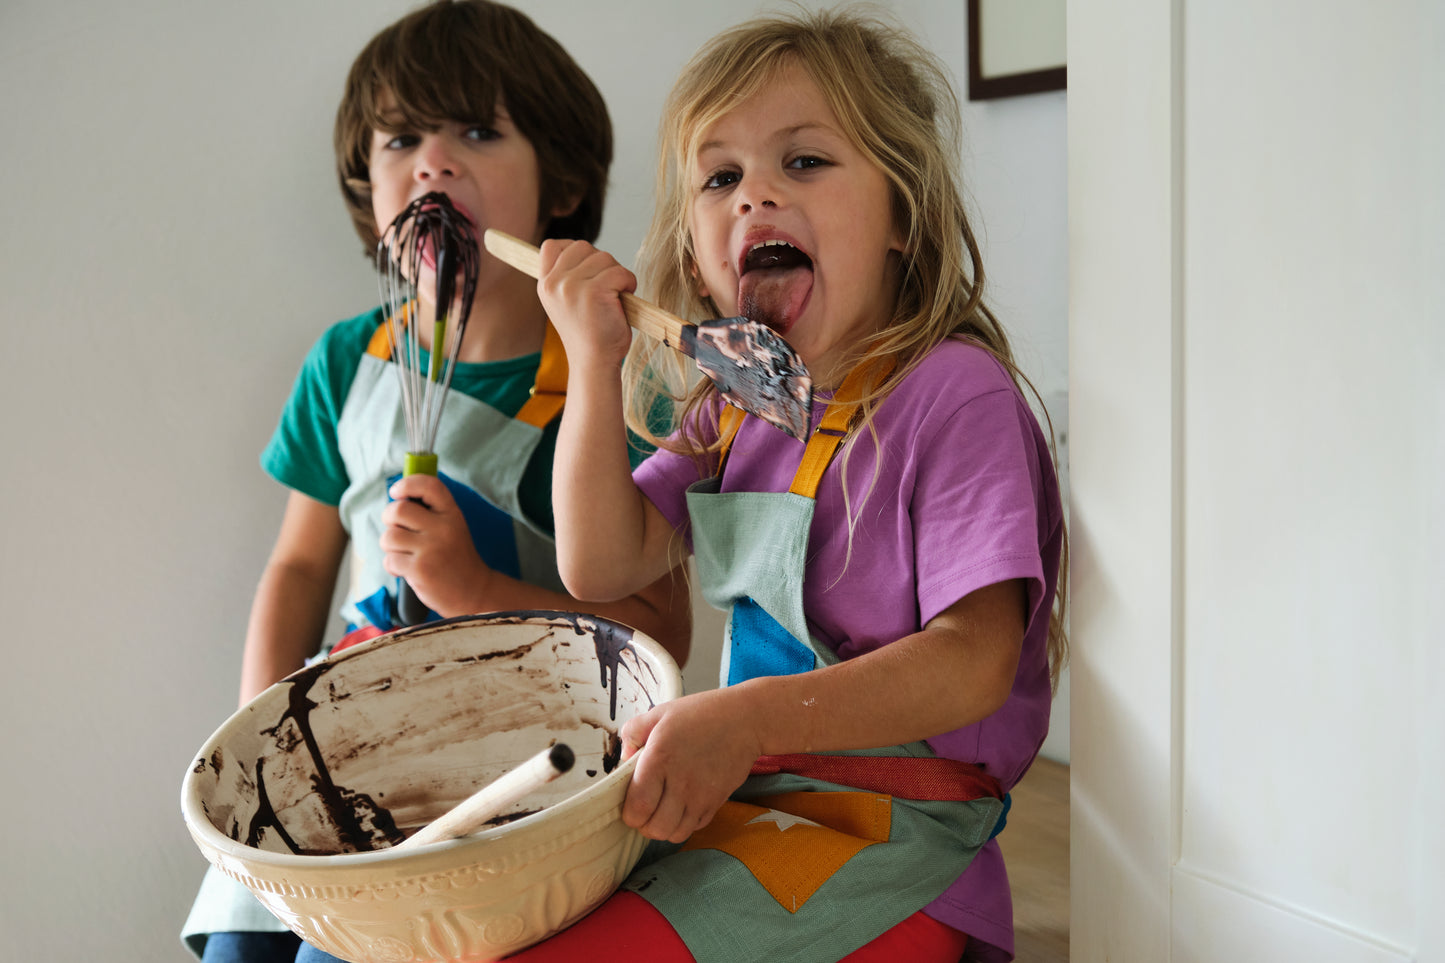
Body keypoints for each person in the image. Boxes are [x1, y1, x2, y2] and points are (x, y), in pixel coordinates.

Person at [519, 9, 1067, 963]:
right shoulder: (730, 410)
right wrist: (590, 360)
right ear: (696, 255)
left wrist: (739, 718)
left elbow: (976, 659)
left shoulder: (950, 392)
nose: (754, 194)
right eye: (720, 177)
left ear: (902, 213)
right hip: (752, 803)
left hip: (898, 841)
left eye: (803, 162)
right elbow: (600, 562)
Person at [181, 3, 691, 961]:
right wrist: (265, 759)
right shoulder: (346, 360)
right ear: (362, 183)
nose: (432, 162)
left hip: (511, 774)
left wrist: (475, 593)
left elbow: (660, 636)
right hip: (340, 739)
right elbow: (297, 569)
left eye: (477, 132)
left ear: (563, 186)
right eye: (402, 138)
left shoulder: (602, 382)